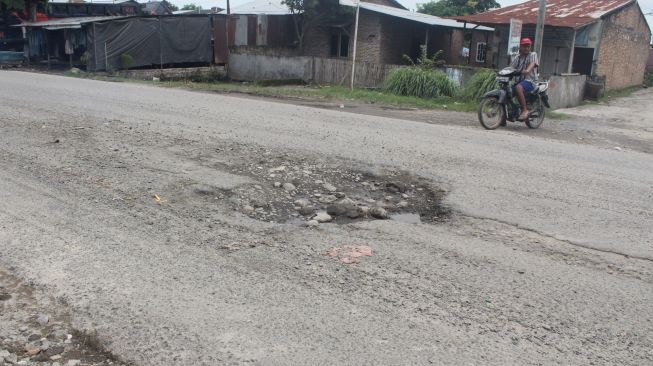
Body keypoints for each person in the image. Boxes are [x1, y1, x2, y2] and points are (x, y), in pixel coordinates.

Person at [510, 38, 539, 121]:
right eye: (524, 46)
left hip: (530, 81)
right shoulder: (517, 57)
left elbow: (532, 64)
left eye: (528, 46)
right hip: (518, 82)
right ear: (520, 47)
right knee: (506, 92)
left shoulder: (533, 54)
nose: (526, 48)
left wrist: (527, 70)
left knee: (518, 88)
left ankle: (524, 110)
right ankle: (505, 114)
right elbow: (511, 68)